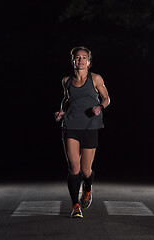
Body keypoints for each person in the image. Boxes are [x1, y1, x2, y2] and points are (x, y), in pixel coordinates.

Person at [54, 46, 110, 218]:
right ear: (73, 61)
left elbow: (107, 98)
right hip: (70, 125)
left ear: (89, 61)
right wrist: (61, 112)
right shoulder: (66, 81)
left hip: (90, 127)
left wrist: (100, 107)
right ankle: (75, 206)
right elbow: (66, 99)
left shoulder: (95, 78)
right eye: (77, 58)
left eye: (84, 57)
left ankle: (87, 188)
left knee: (86, 171)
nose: (80, 60)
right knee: (74, 168)